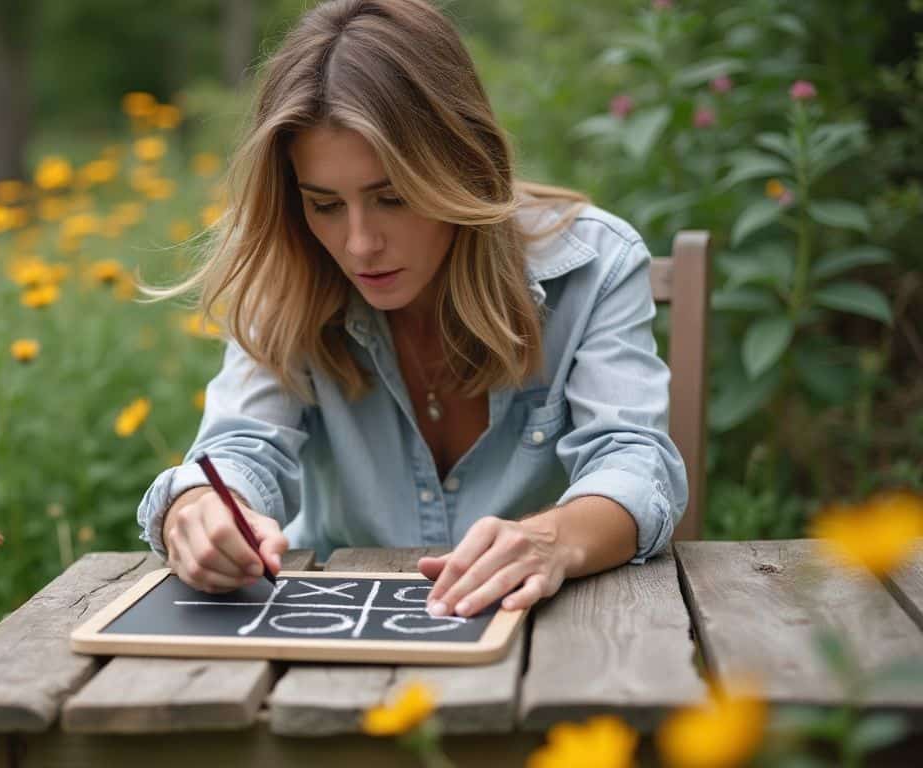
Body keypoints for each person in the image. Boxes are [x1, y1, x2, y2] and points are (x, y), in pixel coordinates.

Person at [136, 0, 687, 621]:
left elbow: (635, 463)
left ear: (461, 164)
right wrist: (199, 510)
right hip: (335, 631)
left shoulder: (593, 268)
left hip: (557, 631)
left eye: (392, 197)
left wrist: (548, 541)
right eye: (325, 204)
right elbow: (240, 448)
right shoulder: (289, 274)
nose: (360, 244)